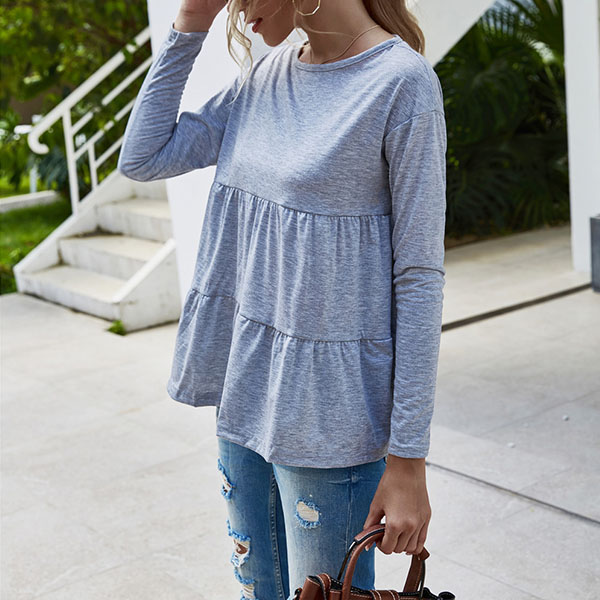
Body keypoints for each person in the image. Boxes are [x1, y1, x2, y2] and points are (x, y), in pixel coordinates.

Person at [117, 0, 447, 598]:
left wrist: (408, 460)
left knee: (321, 593)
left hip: (329, 419)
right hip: (245, 395)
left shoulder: (401, 84)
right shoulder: (268, 75)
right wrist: (188, 24)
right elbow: (143, 155)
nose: (237, 9)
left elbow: (420, 278)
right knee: (256, 588)